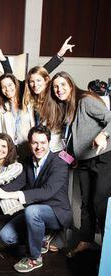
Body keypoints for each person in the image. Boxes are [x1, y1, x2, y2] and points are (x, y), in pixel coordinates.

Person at [44, 72, 111, 258]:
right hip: (83, 162)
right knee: (85, 204)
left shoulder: (85, 100)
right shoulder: (66, 108)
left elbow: (110, 118)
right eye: (56, 87)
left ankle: (107, 252)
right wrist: (70, 158)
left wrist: (103, 135)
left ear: (71, 85)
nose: (59, 90)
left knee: (100, 204)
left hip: (102, 158)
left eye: (63, 85)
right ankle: (86, 241)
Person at [0, 125, 72, 273]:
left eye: (43, 143)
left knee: (32, 211)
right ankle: (41, 237)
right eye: (35, 143)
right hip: (34, 213)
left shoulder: (59, 161)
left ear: (49, 142)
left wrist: (11, 195)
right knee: (5, 237)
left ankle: (34, 258)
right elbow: (18, 183)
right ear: (30, 144)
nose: (39, 147)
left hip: (57, 212)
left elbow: (47, 191)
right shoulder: (28, 162)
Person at [0, 73, 35, 160]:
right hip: (10, 150)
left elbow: (33, 126)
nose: (7, 89)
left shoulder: (28, 104)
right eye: (3, 87)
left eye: (10, 85)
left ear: (15, 85)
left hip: (28, 148)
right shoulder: (0, 109)